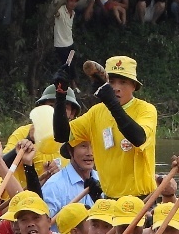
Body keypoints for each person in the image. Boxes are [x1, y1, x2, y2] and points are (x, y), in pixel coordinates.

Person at [55, 55, 157, 198]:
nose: (116, 88)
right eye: (112, 82)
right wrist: (60, 95)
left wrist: (110, 102)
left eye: (123, 82)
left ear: (133, 86)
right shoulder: (96, 113)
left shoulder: (146, 110)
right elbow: (61, 135)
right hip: (109, 200)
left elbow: (138, 137)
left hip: (141, 199)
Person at [40, 139, 100, 216]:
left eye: (93, 145)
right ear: (70, 150)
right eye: (83, 146)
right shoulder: (54, 186)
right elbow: (44, 225)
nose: (90, 153)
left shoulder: (104, 181)